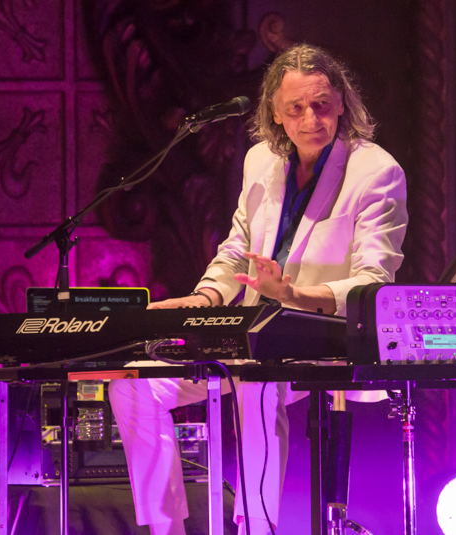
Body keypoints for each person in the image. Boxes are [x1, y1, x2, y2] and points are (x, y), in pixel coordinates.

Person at [109, 43, 408, 535]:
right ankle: (166, 530)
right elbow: (237, 249)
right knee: (135, 387)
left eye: (322, 104)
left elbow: (373, 282)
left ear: (341, 102)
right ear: (275, 112)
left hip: (321, 337)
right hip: (249, 333)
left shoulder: (377, 171)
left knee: (257, 381)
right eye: (296, 107)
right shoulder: (261, 160)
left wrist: (293, 295)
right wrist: (204, 298)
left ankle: (257, 526)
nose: (311, 118)